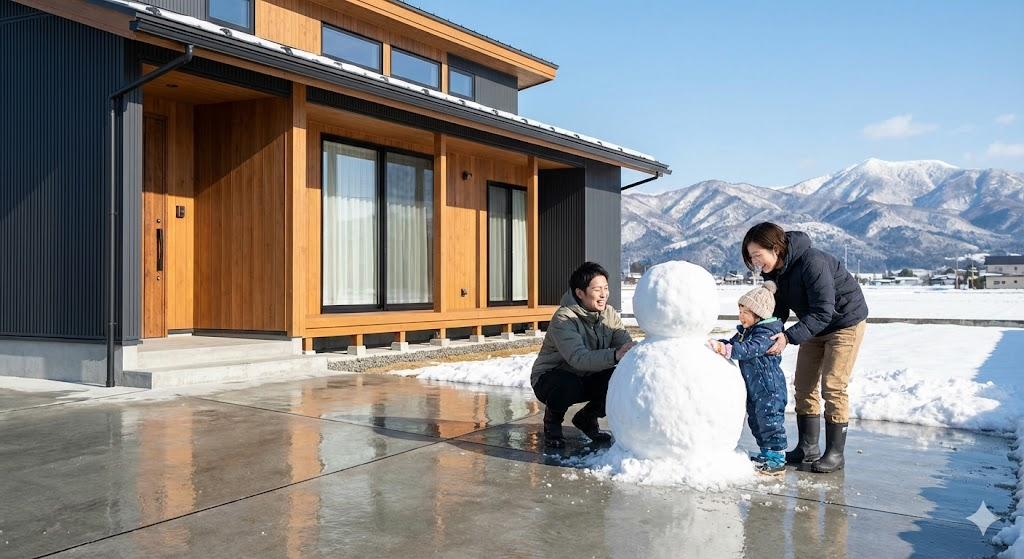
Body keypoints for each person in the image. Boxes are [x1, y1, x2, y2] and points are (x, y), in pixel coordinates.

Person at [742, 222, 868, 473]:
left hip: (844, 322)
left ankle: (835, 453)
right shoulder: (774, 272)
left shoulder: (813, 263)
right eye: (751, 257)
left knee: (833, 385)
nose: (756, 263)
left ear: (775, 249)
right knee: (804, 384)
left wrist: (788, 337)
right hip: (813, 324)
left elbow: (823, 310)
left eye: (757, 255)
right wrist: (766, 330)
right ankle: (808, 447)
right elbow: (778, 309)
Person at [531, 262, 637, 448]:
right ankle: (552, 424)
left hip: (586, 377)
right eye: (597, 289)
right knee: (566, 382)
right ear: (580, 293)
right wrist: (615, 355)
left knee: (622, 378)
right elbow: (578, 358)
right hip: (551, 379)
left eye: (605, 288)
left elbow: (624, 346)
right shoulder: (564, 318)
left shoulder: (609, 314)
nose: (604, 294)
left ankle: (587, 418)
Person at [708, 280, 788, 475]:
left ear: (759, 314)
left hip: (769, 388)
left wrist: (727, 350)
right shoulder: (747, 332)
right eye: (740, 311)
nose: (741, 316)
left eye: (746, 313)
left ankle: (777, 458)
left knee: (770, 421)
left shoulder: (766, 334)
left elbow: (748, 350)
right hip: (755, 387)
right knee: (757, 421)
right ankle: (766, 453)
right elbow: (734, 343)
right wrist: (720, 344)